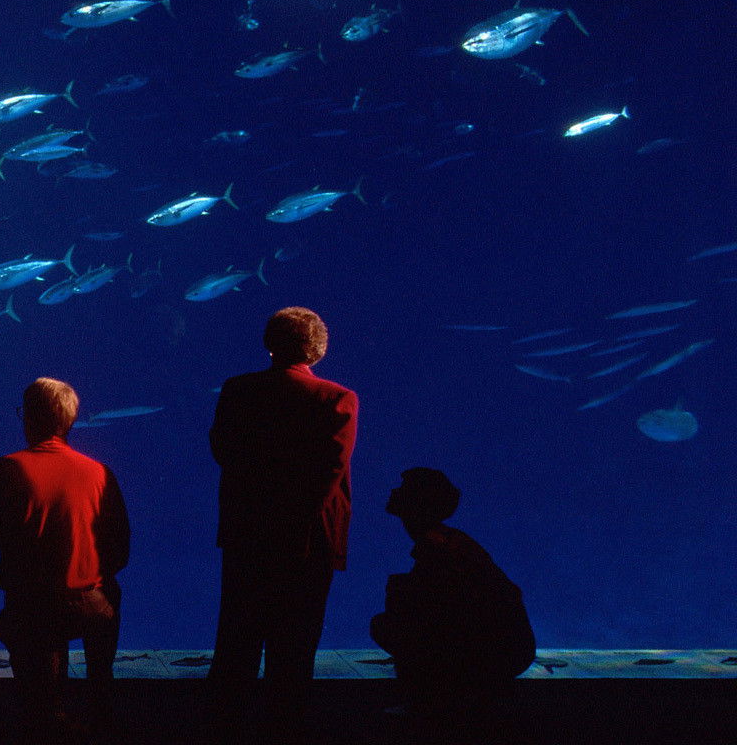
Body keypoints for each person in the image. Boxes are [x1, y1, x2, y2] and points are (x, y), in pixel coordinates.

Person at [206, 306, 357, 734]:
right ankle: (285, 729)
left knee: (236, 641)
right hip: (308, 541)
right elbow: (332, 468)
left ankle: (222, 730)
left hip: (247, 534)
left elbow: (223, 451)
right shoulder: (337, 398)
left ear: (268, 344)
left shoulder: (237, 390)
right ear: (318, 350)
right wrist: (295, 521)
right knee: (296, 646)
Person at [0, 377, 129, 739]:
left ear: (29, 418)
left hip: (31, 609)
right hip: (90, 604)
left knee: (37, 693)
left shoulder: (4, 470)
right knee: (110, 593)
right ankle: (101, 701)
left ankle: (45, 715)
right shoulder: (100, 473)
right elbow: (120, 551)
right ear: (69, 421)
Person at [370, 468, 534, 721]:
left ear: (419, 501)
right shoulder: (444, 540)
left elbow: (439, 614)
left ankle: (435, 703)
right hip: (509, 646)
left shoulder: (437, 547)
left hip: (502, 651)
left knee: (388, 625)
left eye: (404, 488)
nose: (393, 491)